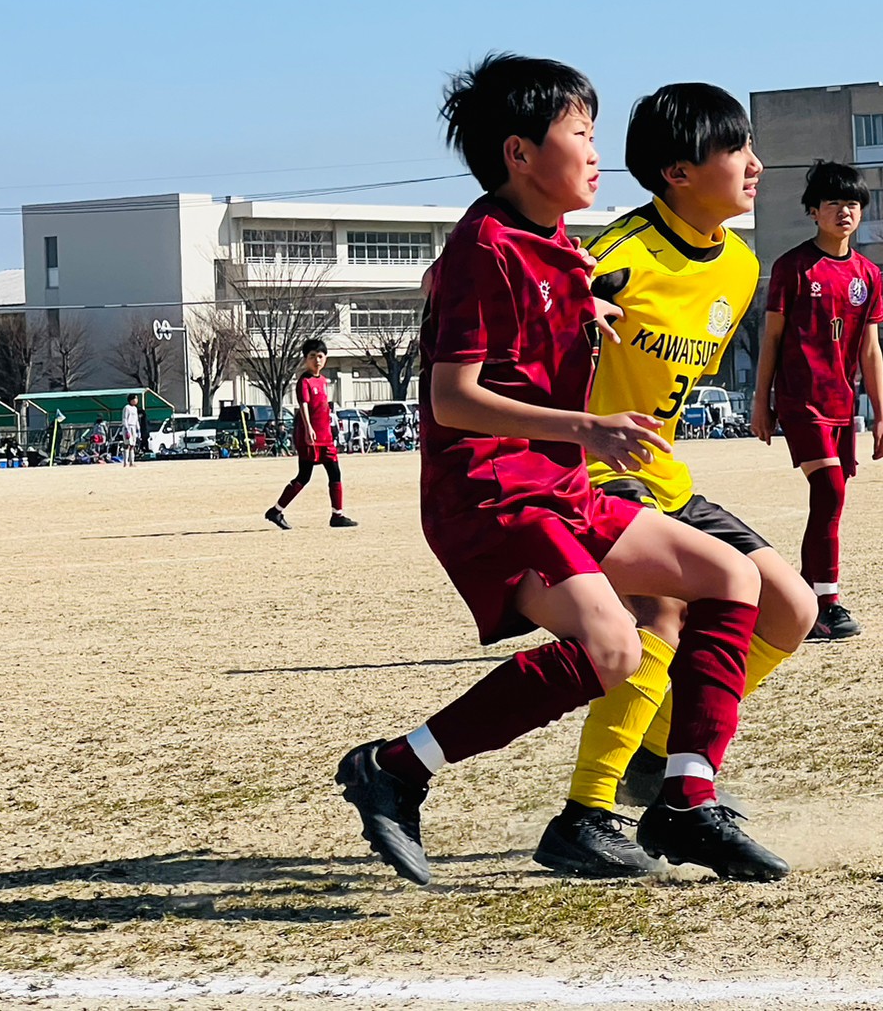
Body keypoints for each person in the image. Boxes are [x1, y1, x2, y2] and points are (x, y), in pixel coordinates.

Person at [336, 53, 786, 886]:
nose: (594, 152)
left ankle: (685, 795)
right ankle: (396, 768)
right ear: (518, 153)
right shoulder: (483, 247)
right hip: (492, 492)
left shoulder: (555, 244)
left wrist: (589, 307)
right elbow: (451, 398)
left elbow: (541, 324)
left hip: (558, 486)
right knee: (615, 646)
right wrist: (587, 424)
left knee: (730, 579)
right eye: (579, 133)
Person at [533, 83, 814, 877]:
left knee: (790, 608)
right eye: (735, 150)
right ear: (678, 172)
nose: (755, 165)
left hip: (664, 479)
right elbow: (536, 304)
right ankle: (583, 815)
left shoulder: (738, 262)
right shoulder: (616, 256)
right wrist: (568, 304)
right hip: (586, 473)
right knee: (660, 611)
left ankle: (653, 754)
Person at [753, 160, 883, 641]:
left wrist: (880, 416)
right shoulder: (791, 267)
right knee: (828, 489)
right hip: (800, 399)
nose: (844, 211)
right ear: (813, 211)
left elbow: (870, 349)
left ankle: (810, 599)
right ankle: (824, 603)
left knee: (831, 498)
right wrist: (761, 400)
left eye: (852, 203)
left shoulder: (868, 274)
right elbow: (771, 339)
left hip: (843, 405)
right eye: (833, 203)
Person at [265, 339, 358, 530]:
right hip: (311, 436)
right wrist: (308, 429)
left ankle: (337, 515)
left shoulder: (323, 381)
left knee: (335, 472)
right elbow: (304, 406)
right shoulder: (304, 381)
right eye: (312, 356)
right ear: (305, 359)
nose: (317, 360)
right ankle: (276, 510)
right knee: (304, 476)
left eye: (320, 356)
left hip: (325, 436)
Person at [120, 394, 141, 468]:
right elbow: (125, 418)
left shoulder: (135, 408)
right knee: (127, 445)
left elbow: (136, 419)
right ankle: (125, 463)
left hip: (133, 427)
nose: (136, 400)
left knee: (132, 445)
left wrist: (138, 429)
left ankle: (132, 462)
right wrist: (126, 429)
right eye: (135, 399)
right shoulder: (127, 408)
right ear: (131, 400)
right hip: (128, 427)